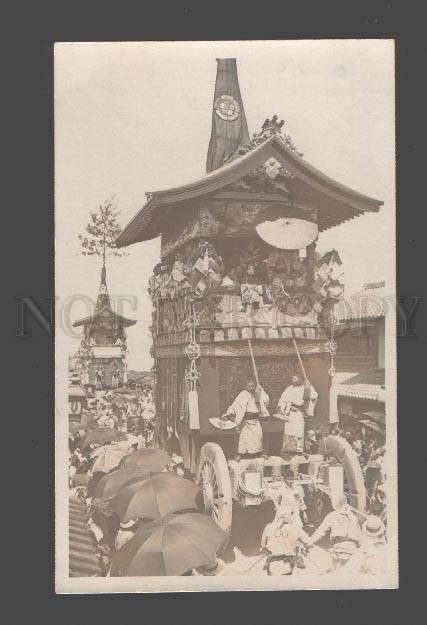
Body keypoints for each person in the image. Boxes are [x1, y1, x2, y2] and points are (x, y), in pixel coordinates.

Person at [307, 495, 362, 568]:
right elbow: (360, 537)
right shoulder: (353, 516)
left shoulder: (332, 515)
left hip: (339, 548)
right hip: (353, 548)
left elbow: (320, 532)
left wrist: (307, 542)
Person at [220, 379, 269, 460]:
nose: (251, 388)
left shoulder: (258, 393)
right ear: (246, 386)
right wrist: (229, 413)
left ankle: (256, 454)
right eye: (249, 386)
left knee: (258, 436)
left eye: (252, 386)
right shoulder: (242, 395)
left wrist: (261, 391)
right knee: (244, 437)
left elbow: (266, 400)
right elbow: (235, 405)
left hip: (256, 420)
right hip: (246, 421)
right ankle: (241, 455)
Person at [277, 375, 318, 456]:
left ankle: (298, 451)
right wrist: (281, 408)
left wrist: (309, 386)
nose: (292, 379)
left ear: (300, 379)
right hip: (290, 412)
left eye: (294, 378)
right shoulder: (289, 388)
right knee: (288, 431)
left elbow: (314, 396)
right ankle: (288, 450)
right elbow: (283, 399)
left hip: (299, 413)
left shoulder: (305, 387)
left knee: (299, 431)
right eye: (292, 378)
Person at [261, 508, 309, 575]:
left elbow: (263, 546)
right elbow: (307, 542)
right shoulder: (296, 527)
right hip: (288, 562)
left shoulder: (269, 527)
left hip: (272, 562)